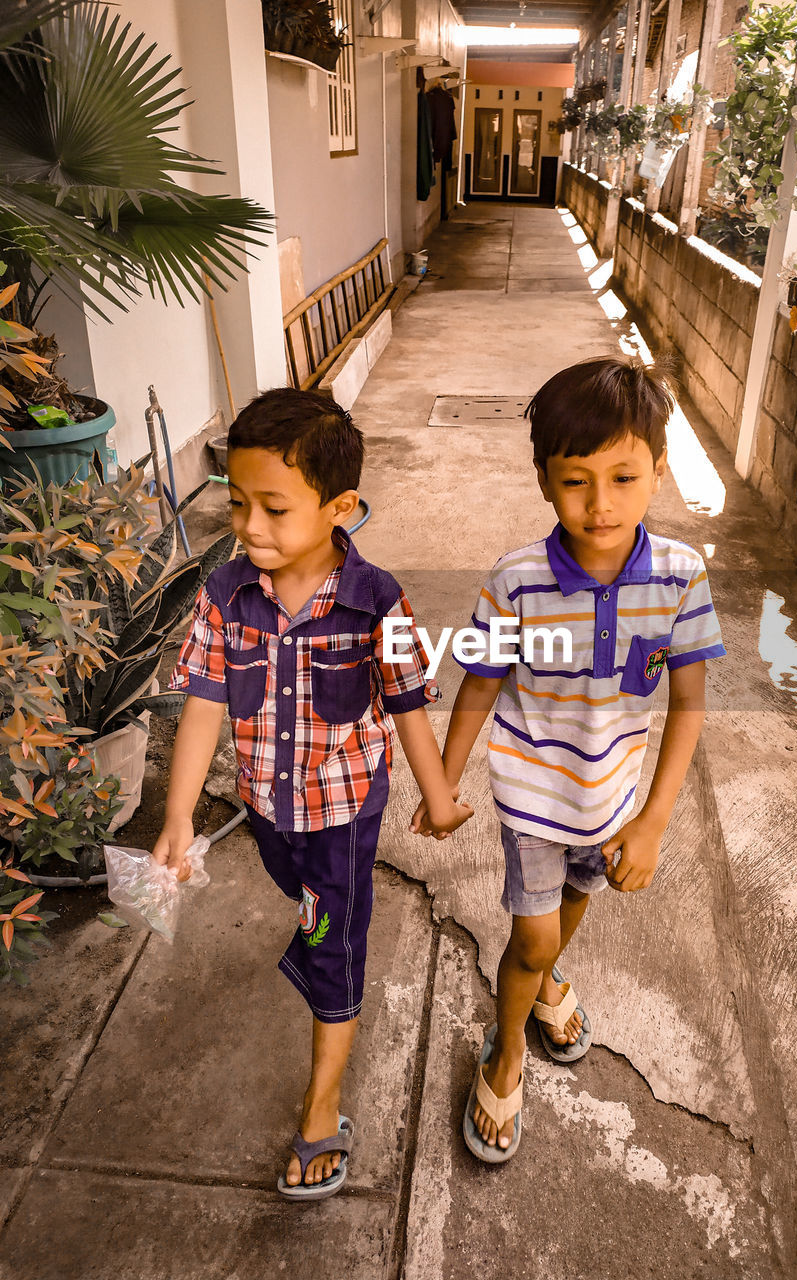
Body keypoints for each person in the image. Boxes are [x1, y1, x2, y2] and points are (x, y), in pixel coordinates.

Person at [152, 389, 472, 1200]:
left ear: (341, 509)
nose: (250, 527)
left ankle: (322, 1109)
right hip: (269, 815)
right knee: (306, 899)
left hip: (343, 820)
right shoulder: (226, 596)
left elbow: (405, 702)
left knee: (333, 939)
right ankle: (324, 923)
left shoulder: (376, 602)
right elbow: (201, 704)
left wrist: (437, 797)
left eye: (274, 508)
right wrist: (180, 816)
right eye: (238, 505)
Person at [411, 356, 725, 1162]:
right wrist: (443, 780)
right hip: (532, 798)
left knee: (573, 911)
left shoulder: (682, 579)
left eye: (623, 477)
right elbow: (479, 683)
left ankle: (548, 981)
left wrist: (652, 821)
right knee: (531, 939)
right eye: (577, 480)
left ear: (659, 471)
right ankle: (508, 1048)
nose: (601, 503)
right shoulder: (515, 582)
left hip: (612, 800)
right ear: (544, 481)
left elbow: (687, 703)